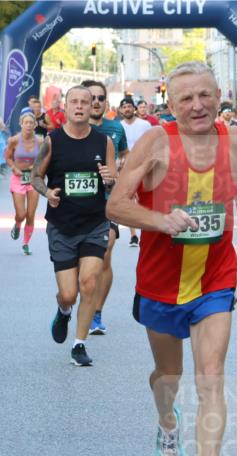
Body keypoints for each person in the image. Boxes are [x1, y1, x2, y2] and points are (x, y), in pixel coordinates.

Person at [106, 61, 237, 456]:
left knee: (210, 375)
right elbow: (117, 203)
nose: (198, 105)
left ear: (220, 94)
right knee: (168, 375)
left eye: (205, 95)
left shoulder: (235, 142)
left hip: (214, 279)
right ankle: (167, 422)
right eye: (186, 99)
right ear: (172, 104)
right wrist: (161, 220)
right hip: (160, 282)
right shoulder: (155, 143)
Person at [30, 86, 117, 366]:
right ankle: (63, 310)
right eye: (74, 102)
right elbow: (35, 177)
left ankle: (79, 344)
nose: (79, 106)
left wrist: (109, 180)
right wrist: (47, 193)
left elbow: (113, 182)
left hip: (94, 222)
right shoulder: (53, 141)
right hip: (62, 225)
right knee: (69, 293)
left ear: (92, 107)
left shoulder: (104, 143)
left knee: (89, 283)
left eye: (85, 102)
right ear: (65, 107)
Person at [82, 80, 129, 335]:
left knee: (105, 253)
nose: (97, 101)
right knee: (83, 264)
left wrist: (123, 170)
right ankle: (79, 301)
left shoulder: (115, 127)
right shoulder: (74, 128)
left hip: (108, 201)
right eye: (92, 97)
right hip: (78, 203)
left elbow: (125, 154)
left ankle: (96, 312)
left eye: (101, 97)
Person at [118, 95, 153, 250]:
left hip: (143, 167)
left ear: (134, 109)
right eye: (124, 107)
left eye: (129, 106)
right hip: (125, 168)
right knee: (130, 198)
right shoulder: (117, 126)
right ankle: (133, 235)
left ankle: (146, 230)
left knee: (144, 199)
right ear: (120, 110)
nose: (127, 109)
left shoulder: (145, 125)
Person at [5, 111, 41, 255]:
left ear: (35, 125)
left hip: (34, 179)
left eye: (31, 123)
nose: (28, 125)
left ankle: (26, 243)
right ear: (21, 124)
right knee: (21, 214)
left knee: (31, 214)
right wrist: (14, 168)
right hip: (18, 178)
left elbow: (45, 158)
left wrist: (37, 167)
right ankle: (18, 224)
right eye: (26, 122)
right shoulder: (14, 140)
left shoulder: (40, 140)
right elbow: (7, 157)